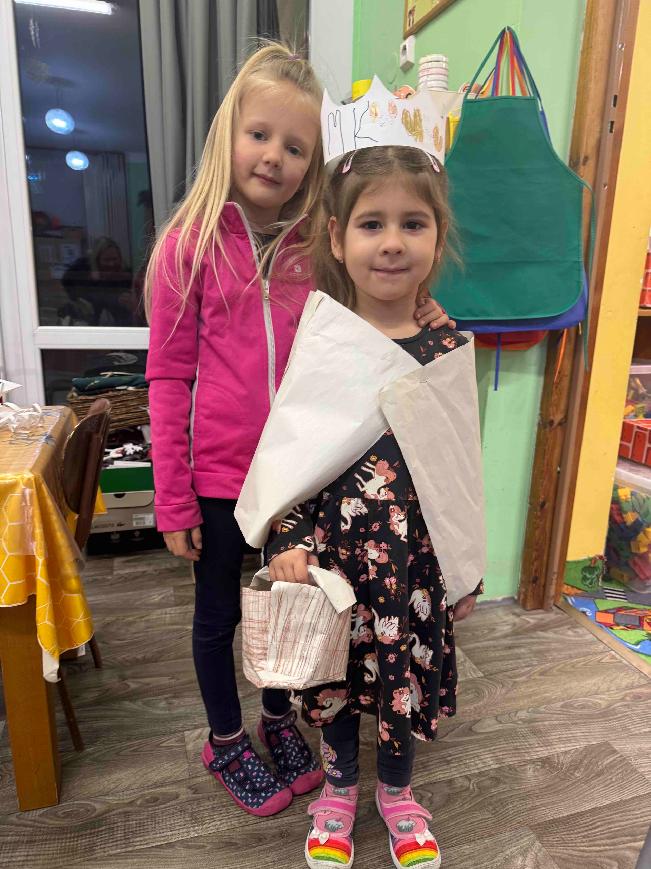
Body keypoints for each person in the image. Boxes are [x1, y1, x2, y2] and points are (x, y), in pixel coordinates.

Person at [144, 43, 453, 819]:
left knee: (297, 604)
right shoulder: (187, 245)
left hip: (301, 475)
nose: (273, 156)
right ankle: (225, 739)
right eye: (259, 135)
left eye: (294, 146)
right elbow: (167, 378)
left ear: (313, 162)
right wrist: (172, 496)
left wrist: (423, 310)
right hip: (220, 481)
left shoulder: (316, 250)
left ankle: (278, 718)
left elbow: (369, 321)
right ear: (228, 135)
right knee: (220, 614)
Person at [266, 145, 483, 869]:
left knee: (398, 680)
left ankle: (396, 791)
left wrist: (466, 566)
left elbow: (459, 465)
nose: (392, 242)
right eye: (371, 224)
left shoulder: (445, 345)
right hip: (336, 562)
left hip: (412, 564)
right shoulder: (323, 339)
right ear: (336, 237)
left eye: (413, 223)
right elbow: (291, 454)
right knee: (334, 678)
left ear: (437, 239)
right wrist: (288, 538)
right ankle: (336, 790)